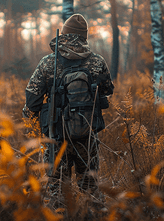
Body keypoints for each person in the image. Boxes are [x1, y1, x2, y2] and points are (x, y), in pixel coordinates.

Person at [22, 13, 114, 203]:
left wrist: (31, 120)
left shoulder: (48, 63)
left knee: (56, 190)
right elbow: (106, 92)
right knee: (90, 189)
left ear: (64, 34)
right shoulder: (97, 62)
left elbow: (32, 101)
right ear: (84, 36)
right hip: (86, 136)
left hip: (57, 137)